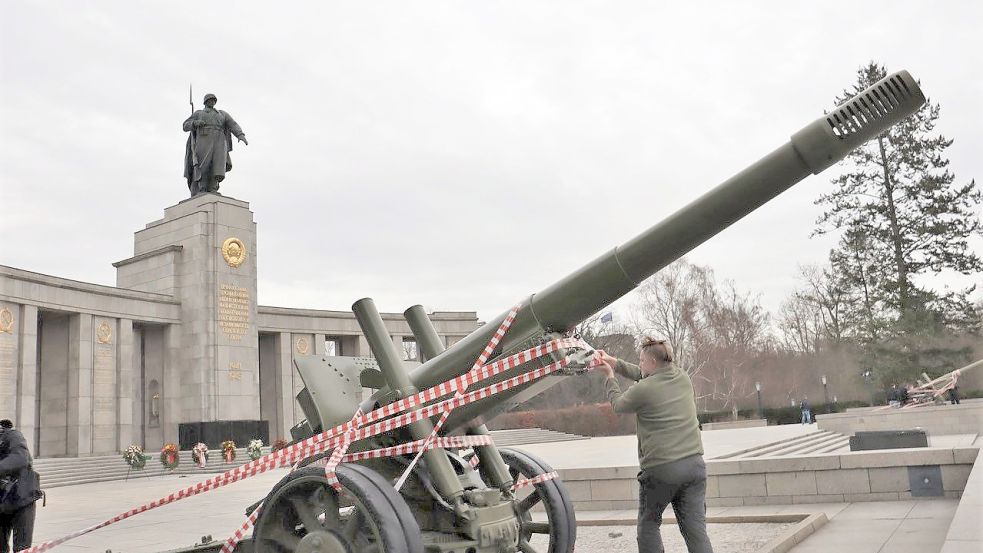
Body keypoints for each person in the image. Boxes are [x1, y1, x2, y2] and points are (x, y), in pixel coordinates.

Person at [594, 338, 713, 553]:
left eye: (641, 360)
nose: (639, 364)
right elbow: (644, 375)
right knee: (696, 530)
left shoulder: (644, 389)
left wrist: (610, 377)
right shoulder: (681, 376)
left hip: (662, 469)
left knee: (648, 525)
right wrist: (615, 362)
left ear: (652, 362)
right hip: (694, 466)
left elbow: (619, 405)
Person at [183, 93, 248, 197]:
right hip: (204, 139)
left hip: (219, 140)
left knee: (217, 165)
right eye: (210, 100)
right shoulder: (198, 113)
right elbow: (185, 125)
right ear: (205, 102)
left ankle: (213, 188)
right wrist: (195, 123)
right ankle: (202, 188)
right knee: (203, 164)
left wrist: (240, 135)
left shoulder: (222, 114)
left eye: (214, 100)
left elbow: (233, 124)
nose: (212, 101)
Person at [0, 419, 40, 553]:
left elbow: (21, 458)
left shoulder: (12, 435)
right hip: (2, 502)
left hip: (22, 499)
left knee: (22, 549)